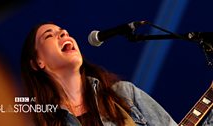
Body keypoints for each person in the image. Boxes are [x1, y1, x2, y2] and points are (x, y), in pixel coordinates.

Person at [20, 22, 178, 126]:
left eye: (64, 32)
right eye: (49, 35)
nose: (64, 34)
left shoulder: (124, 93)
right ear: (37, 62)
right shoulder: (45, 122)